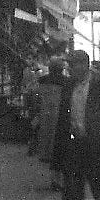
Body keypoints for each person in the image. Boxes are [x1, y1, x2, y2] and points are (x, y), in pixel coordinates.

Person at [52, 49, 100, 200]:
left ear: (84, 65)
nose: (69, 70)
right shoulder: (68, 86)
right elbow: (62, 123)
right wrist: (56, 162)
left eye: (72, 66)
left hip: (98, 151)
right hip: (74, 149)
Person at [37, 56, 65, 190]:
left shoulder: (42, 81)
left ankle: (55, 180)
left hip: (46, 118)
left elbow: (37, 98)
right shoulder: (67, 82)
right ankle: (60, 180)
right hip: (61, 118)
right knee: (61, 149)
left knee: (51, 149)